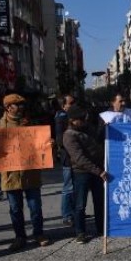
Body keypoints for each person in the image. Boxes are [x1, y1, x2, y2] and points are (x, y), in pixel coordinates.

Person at [0, 94, 50, 250]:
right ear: (9, 107)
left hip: (31, 174)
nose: (22, 107)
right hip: (10, 176)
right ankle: (20, 237)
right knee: (15, 209)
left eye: (22, 104)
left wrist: (49, 144)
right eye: (18, 105)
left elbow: (41, 146)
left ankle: (39, 233)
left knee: (35, 207)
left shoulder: (31, 123)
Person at [63, 105, 107, 244]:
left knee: (99, 201)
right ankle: (80, 232)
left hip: (97, 170)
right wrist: (98, 171)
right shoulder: (69, 135)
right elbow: (79, 158)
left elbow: (98, 142)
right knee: (80, 204)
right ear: (72, 120)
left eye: (84, 118)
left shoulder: (88, 128)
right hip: (82, 172)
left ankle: (101, 228)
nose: (83, 121)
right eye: (80, 119)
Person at [55, 94, 76, 226]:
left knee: (75, 186)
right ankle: (67, 215)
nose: (73, 105)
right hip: (68, 158)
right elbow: (59, 140)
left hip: (75, 158)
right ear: (64, 106)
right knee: (68, 187)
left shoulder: (70, 116)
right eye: (71, 103)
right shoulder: (61, 118)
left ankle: (74, 211)